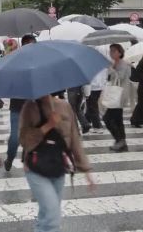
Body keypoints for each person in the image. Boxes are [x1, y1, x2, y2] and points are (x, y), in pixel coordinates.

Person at [20, 94, 95, 232]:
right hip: (36, 169)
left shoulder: (64, 106)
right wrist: (48, 125)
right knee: (52, 217)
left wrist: (86, 170)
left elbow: (74, 139)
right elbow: (24, 140)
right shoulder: (29, 107)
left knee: (46, 215)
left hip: (58, 167)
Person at [4, 34, 36, 172]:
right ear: (23, 45)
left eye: (33, 44)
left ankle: (27, 158)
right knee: (15, 138)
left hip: (34, 105)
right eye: (28, 44)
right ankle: (10, 158)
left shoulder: (39, 62)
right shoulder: (15, 61)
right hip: (17, 105)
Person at [103, 44, 132, 152]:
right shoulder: (114, 64)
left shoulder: (124, 64)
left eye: (114, 51)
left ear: (120, 52)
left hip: (120, 95)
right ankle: (122, 142)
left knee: (107, 118)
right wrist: (111, 68)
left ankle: (119, 140)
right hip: (114, 95)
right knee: (118, 120)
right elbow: (109, 78)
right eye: (111, 51)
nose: (112, 53)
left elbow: (120, 77)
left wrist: (111, 68)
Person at [83, 66, 107, 134]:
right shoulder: (101, 65)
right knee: (90, 105)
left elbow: (89, 77)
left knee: (92, 106)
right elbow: (105, 76)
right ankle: (86, 122)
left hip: (92, 87)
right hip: (99, 87)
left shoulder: (90, 65)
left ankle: (98, 126)